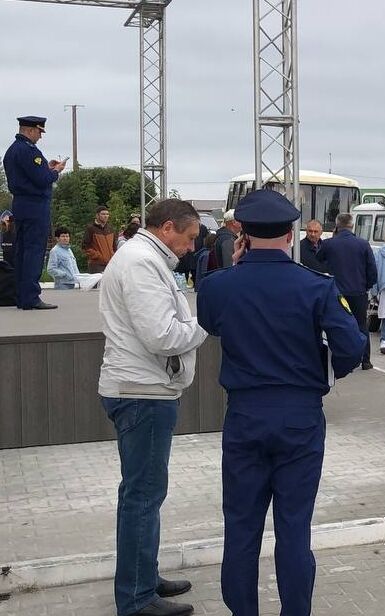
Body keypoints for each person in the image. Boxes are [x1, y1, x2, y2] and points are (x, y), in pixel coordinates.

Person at [197, 189, 365, 616]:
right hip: (299, 416)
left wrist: (237, 270)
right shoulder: (317, 286)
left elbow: (211, 323)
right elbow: (351, 346)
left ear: (242, 235)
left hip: (245, 416)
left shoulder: (218, 286)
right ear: (291, 234)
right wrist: (326, 374)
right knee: (293, 529)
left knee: (240, 529)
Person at [98, 198, 209, 616]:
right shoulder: (142, 263)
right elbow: (162, 336)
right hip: (141, 392)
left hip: (144, 389)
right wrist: (204, 324)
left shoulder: (146, 258)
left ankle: (144, 576)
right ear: (167, 228)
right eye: (190, 236)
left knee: (144, 493)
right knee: (142, 495)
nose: (191, 246)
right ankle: (136, 598)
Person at [4, 116, 65, 310]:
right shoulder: (30, 151)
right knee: (34, 250)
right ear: (30, 130)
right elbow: (41, 179)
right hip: (35, 205)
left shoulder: (12, 150)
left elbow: (29, 175)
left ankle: (22, 296)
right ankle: (31, 297)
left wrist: (46, 168)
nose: (40, 136)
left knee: (21, 250)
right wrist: (55, 171)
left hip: (20, 204)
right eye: (39, 132)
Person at [317, 213, 377, 370]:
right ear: (352, 225)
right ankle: (366, 360)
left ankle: (340, 358)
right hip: (358, 291)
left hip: (336, 292)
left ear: (336, 226)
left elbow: (318, 258)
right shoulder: (363, 244)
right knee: (361, 325)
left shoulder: (329, 243)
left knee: (336, 324)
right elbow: (372, 270)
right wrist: (367, 285)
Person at [82, 205, 117, 273]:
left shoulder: (110, 229)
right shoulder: (91, 229)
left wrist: (113, 256)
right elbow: (85, 247)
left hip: (110, 264)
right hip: (96, 265)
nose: (105, 216)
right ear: (97, 215)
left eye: (107, 214)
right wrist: (97, 256)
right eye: (103, 214)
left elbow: (114, 246)